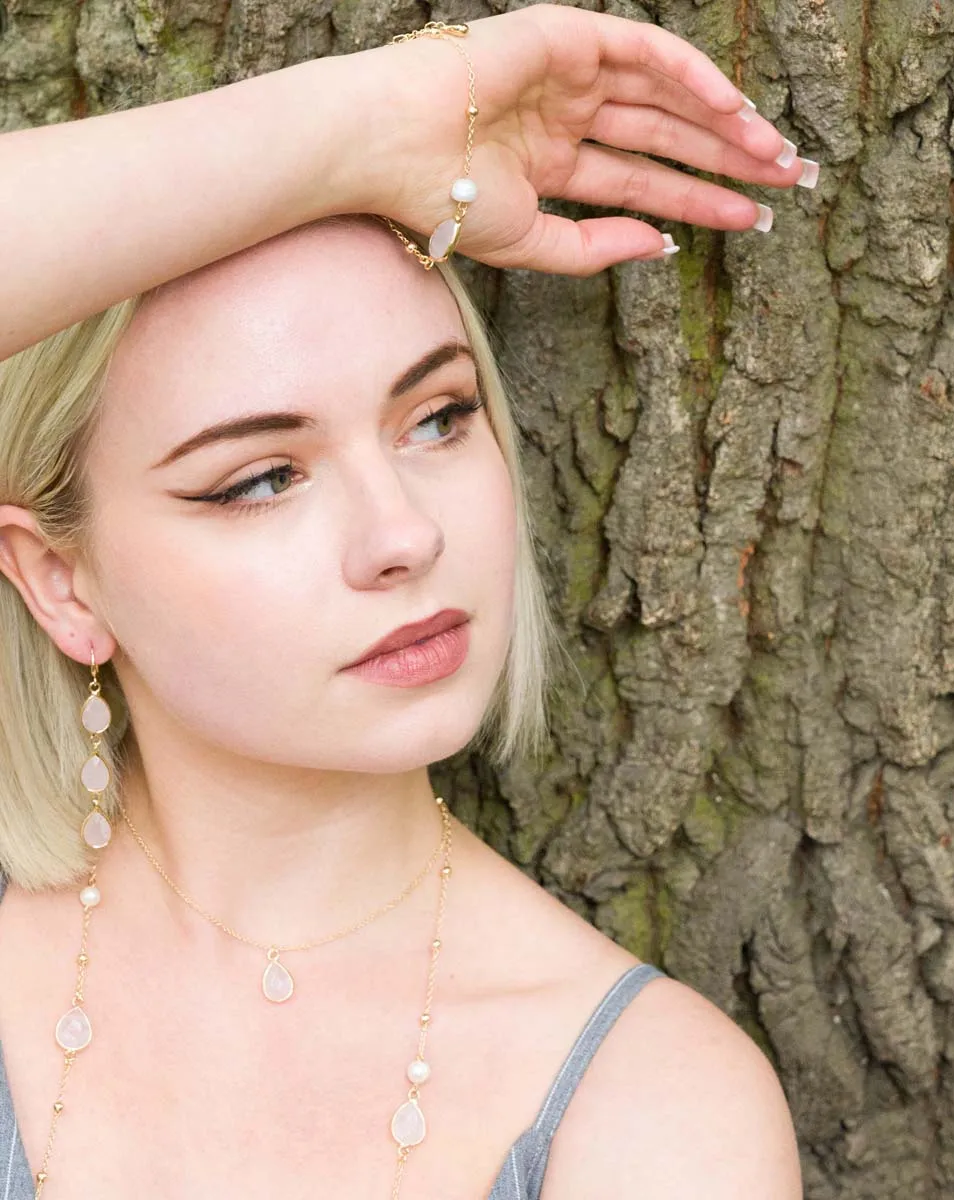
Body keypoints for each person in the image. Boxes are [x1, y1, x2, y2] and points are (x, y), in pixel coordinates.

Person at [0, 4, 811, 1196]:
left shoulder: (653, 1115)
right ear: (63, 583)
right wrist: (363, 124)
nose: (406, 535)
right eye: (262, 478)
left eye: (436, 418)